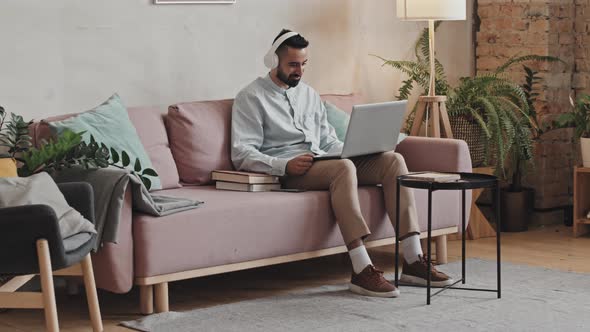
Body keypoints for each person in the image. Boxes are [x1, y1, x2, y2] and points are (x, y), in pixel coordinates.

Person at [231, 29, 452, 298]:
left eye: (303, 64)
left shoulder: (310, 95)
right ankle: (361, 268)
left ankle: (413, 260)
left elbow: (326, 140)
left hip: (325, 161)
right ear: (273, 61)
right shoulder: (251, 97)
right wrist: (283, 165)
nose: (299, 71)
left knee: (393, 161)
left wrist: (358, 150)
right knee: (343, 168)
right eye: (292, 65)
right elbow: (241, 153)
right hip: (290, 171)